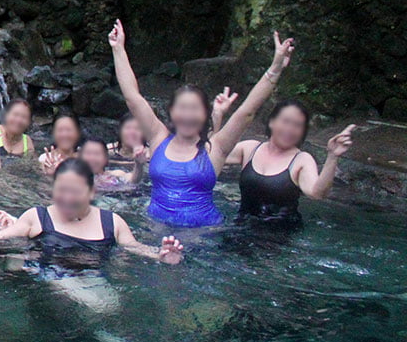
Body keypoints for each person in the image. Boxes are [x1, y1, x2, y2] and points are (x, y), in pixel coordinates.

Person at [109, 19, 295, 228]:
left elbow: (247, 112)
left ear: (205, 115)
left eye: (194, 109)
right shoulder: (158, 138)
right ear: (171, 113)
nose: (188, 114)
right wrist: (118, 49)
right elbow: (133, 99)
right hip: (155, 231)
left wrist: (275, 68)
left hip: (203, 238)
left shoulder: (215, 148)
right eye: (182, 108)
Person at [0, 158, 184, 266]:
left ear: (91, 193)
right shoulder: (37, 216)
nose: (67, 197)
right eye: (62, 190)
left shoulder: (112, 222)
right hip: (48, 278)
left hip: (93, 277)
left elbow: (134, 247)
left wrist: (160, 256)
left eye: (75, 191)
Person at [225, 101, 356, 226]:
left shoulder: (302, 159)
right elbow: (212, 153)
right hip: (242, 225)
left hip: (279, 236)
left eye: (297, 125)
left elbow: (317, 193)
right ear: (271, 122)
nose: (289, 129)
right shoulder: (249, 149)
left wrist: (332, 156)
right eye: (285, 122)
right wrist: (217, 116)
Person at [0, 98, 35, 165]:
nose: (18, 120)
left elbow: (29, 166)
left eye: (24, 117)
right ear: (6, 115)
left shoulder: (27, 141)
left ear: (29, 122)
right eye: (15, 114)